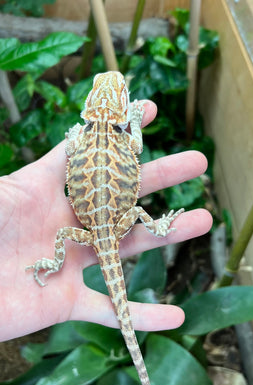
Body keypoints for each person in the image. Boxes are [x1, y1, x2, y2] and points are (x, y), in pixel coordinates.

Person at [0, 100, 212, 342]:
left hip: (98, 229)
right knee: (134, 213)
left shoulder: (84, 138)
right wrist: (133, 121)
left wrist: (78, 135)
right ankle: (158, 229)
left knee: (70, 232)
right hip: (108, 227)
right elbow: (136, 146)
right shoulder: (108, 137)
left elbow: (70, 150)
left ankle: (56, 263)